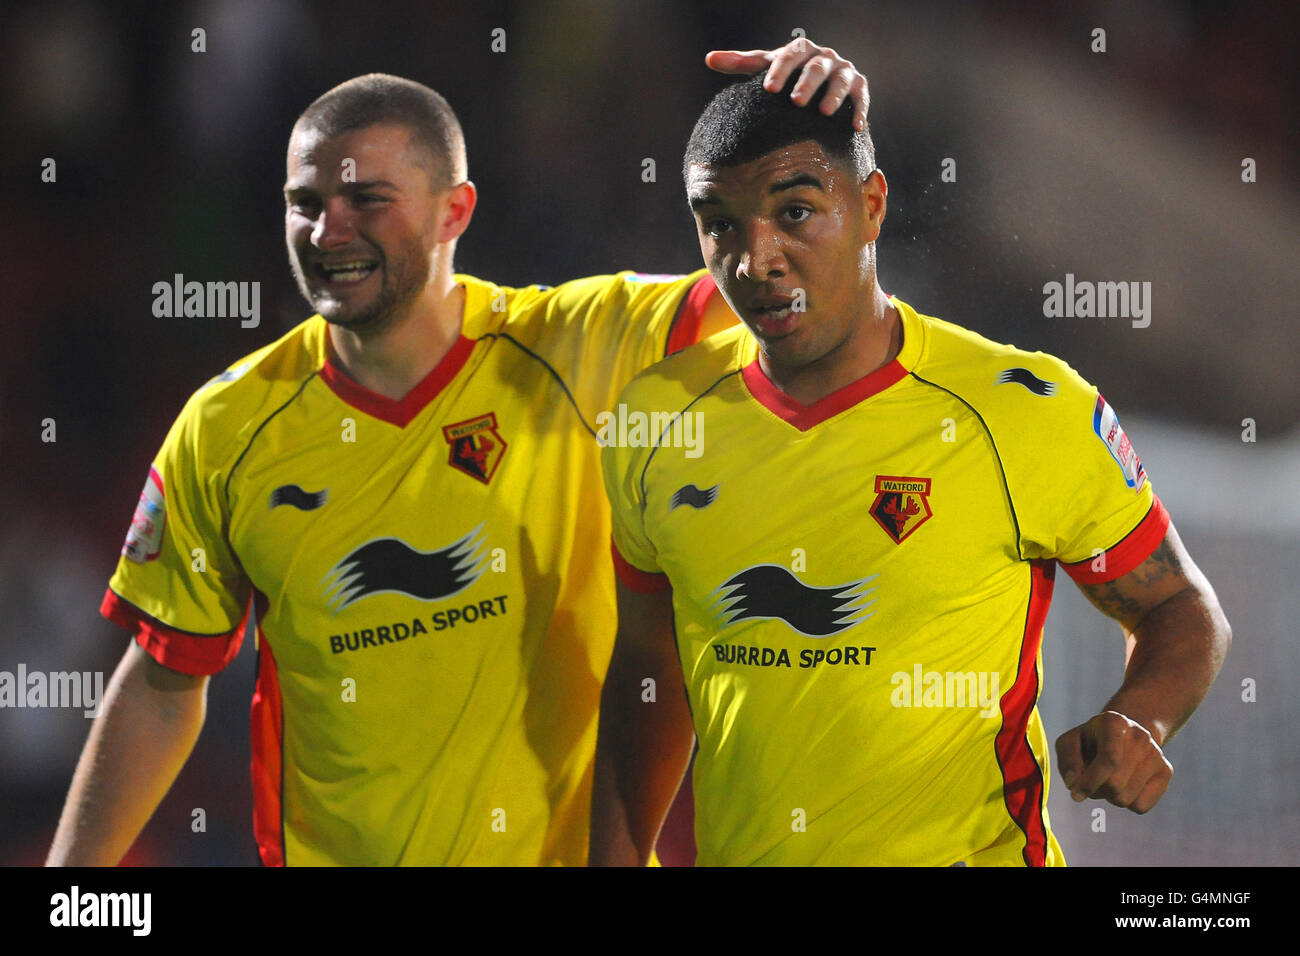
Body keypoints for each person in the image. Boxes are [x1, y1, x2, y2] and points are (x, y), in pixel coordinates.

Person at [45, 40, 869, 867]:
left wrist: (824, 139)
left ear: (455, 211)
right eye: (306, 201)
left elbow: (797, 285)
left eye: (367, 200)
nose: (329, 229)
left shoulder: (582, 346)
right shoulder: (228, 425)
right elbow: (162, 680)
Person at [591, 73, 1233, 866]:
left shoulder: (1022, 409)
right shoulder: (657, 419)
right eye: (719, 223)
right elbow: (647, 668)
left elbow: (1177, 603)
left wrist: (1142, 716)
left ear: (873, 206)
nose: (755, 258)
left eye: (796, 212)